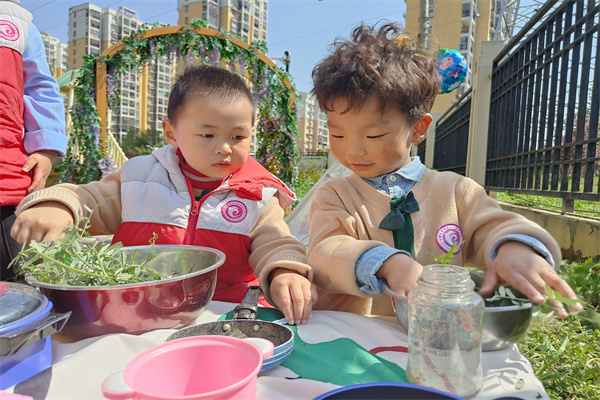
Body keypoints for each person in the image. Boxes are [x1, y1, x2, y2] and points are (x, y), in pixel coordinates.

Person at [307, 21, 581, 318]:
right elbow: (324, 252)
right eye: (337, 135)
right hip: (355, 336)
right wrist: (385, 262)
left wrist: (515, 248)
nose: (352, 150)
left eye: (373, 136)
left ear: (418, 128)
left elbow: (496, 226)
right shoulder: (336, 194)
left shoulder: (455, 192)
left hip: (437, 336)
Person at [11, 65, 315, 325]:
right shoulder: (139, 179)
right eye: (208, 135)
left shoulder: (256, 194)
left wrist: (285, 271)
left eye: (238, 136)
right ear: (171, 133)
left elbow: (275, 241)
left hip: (226, 314)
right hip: (138, 310)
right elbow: (88, 198)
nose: (224, 147)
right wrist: (57, 205)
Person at [0, 0, 68, 281]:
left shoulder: (15, 22)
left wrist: (45, 148)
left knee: (17, 284)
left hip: (5, 183)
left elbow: (41, 89)